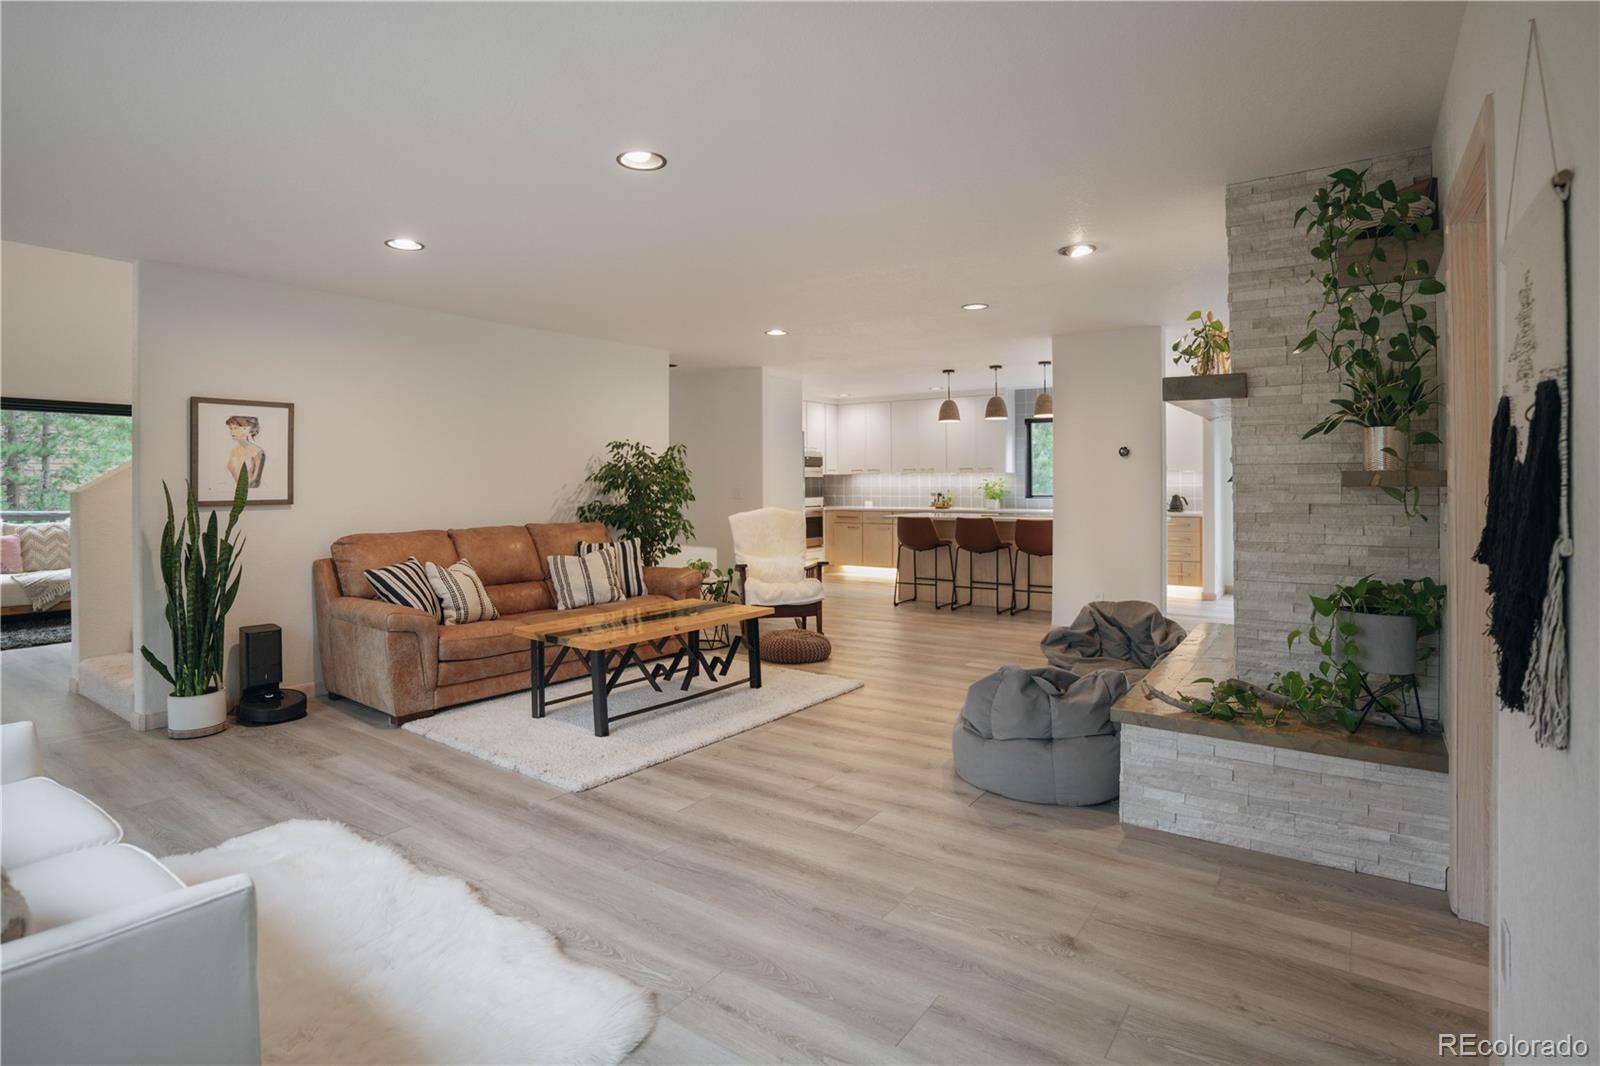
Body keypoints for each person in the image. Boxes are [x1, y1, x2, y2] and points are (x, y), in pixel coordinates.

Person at [224, 414, 266, 488]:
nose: (232, 432)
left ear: (247, 429)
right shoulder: (233, 450)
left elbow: (255, 483)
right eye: (231, 428)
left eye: (236, 428)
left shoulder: (258, 452)